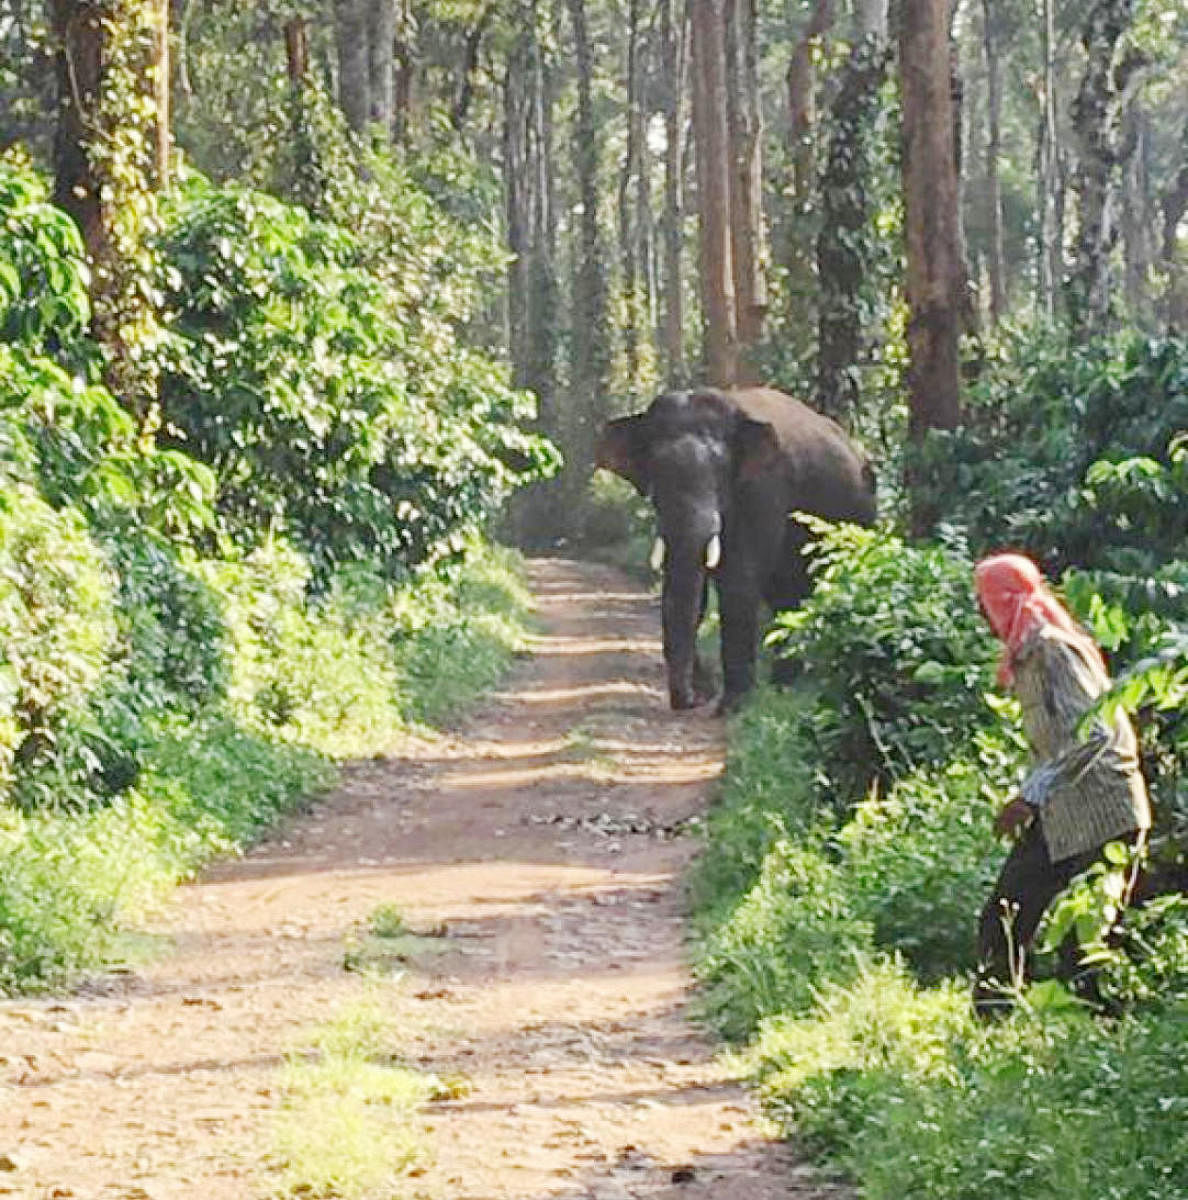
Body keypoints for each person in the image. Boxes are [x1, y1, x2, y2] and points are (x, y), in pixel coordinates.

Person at [972, 552, 1151, 1016]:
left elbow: (1094, 734)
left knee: (1088, 949)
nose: (981, 615)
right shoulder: (1026, 655)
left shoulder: (1052, 648)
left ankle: (1111, 1053)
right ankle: (992, 1031)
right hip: (1066, 813)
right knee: (1006, 916)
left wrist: (1029, 798)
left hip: (1104, 810)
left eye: (983, 602)